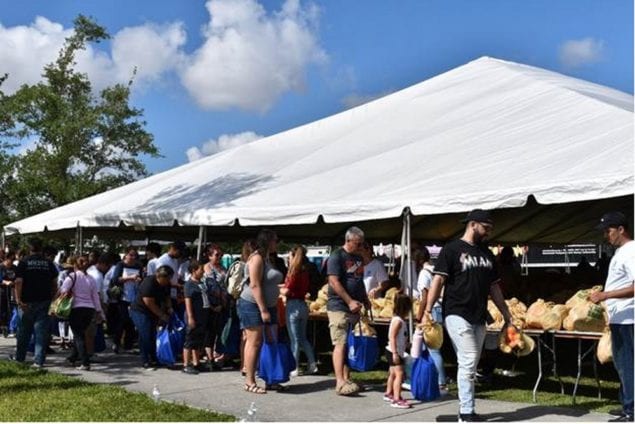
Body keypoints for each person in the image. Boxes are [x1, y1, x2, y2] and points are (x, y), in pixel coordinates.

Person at [423, 209, 513, 422]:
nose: (488, 232)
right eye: (486, 228)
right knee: (469, 359)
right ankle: (466, 412)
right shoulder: (452, 249)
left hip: (479, 315)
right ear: (473, 224)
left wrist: (506, 313)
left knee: (471, 363)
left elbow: (494, 288)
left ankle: (468, 410)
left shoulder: (486, 253)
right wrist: (427, 309)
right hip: (456, 312)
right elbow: (438, 281)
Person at [589, 212, 634, 422]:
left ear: (621, 229)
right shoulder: (622, 252)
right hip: (620, 318)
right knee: (622, 364)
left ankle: (631, 411)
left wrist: (605, 295)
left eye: (608, 231)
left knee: (627, 364)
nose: (606, 236)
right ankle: (626, 402)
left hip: (629, 319)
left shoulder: (631, 251)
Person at [237, 230, 283, 394]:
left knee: (269, 342)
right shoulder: (256, 258)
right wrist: (263, 309)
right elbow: (255, 285)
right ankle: (249, 381)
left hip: (268, 305)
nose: (277, 243)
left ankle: (270, 378)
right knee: (254, 342)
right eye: (275, 240)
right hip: (252, 305)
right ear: (268, 241)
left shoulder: (267, 258)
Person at [326, 226, 369, 396]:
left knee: (349, 344)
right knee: (340, 343)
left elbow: (359, 280)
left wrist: (364, 298)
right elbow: (334, 282)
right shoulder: (336, 257)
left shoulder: (357, 257)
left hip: (355, 307)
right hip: (339, 307)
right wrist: (349, 301)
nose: (360, 247)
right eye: (358, 243)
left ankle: (347, 377)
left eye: (362, 244)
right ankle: (339, 381)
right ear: (348, 240)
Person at [13, 237, 59, 368]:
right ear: (41, 248)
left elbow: (18, 282)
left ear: (29, 248)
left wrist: (18, 299)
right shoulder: (49, 263)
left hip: (26, 302)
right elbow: (54, 284)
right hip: (44, 301)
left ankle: (20, 358)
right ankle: (38, 361)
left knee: (23, 332)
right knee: (41, 333)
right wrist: (54, 300)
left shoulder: (24, 262)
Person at [61, 255, 105, 371]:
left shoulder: (72, 276)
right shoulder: (91, 279)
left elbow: (63, 290)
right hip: (89, 309)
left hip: (76, 308)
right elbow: (95, 296)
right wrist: (99, 311)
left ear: (75, 265)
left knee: (78, 335)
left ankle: (85, 362)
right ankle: (72, 357)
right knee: (80, 333)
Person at [415, 246, 448, 395]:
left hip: (431, 310)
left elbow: (424, 297)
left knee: (432, 349)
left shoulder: (423, 273)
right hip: (441, 309)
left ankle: (441, 382)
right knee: (435, 347)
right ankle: (433, 378)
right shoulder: (437, 269)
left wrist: (420, 315)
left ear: (419, 260)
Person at [280, 245, 318, 377]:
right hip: (303, 305)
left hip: (293, 305)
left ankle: (294, 366)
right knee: (303, 338)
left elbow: (287, 290)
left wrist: (278, 289)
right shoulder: (305, 271)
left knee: (294, 339)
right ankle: (312, 363)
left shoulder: (293, 272)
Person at [129, 265, 174, 369]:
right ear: (160, 277)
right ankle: (145, 360)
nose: (168, 281)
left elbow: (167, 296)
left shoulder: (166, 284)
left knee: (153, 335)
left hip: (153, 312)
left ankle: (154, 358)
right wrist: (162, 315)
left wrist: (169, 307)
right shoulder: (149, 282)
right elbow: (149, 302)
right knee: (145, 334)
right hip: (140, 311)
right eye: (167, 278)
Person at [109, 247, 141, 353]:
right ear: (126, 255)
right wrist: (129, 278)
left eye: (135, 256)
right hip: (122, 297)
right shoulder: (120, 265)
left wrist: (140, 280)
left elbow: (141, 279)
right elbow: (115, 280)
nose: (133, 258)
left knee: (131, 322)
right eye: (131, 255)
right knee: (122, 320)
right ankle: (116, 342)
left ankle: (128, 345)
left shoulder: (138, 266)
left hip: (134, 297)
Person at [383, 293, 412, 409]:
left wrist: (406, 344)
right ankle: (397, 398)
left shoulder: (399, 320)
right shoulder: (398, 321)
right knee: (399, 374)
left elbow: (400, 337)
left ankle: (389, 392)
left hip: (395, 350)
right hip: (394, 352)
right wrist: (395, 353)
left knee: (393, 374)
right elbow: (392, 337)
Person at [203, 244, 228, 369]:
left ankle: (218, 355)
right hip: (211, 305)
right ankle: (210, 358)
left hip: (223, 305)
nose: (219, 257)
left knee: (221, 332)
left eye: (221, 255)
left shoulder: (223, 268)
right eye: (217, 255)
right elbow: (208, 288)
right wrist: (214, 304)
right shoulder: (207, 268)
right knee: (210, 332)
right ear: (209, 255)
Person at [182, 260, 209, 375]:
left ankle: (196, 362)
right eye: (201, 270)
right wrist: (190, 317)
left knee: (198, 340)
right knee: (190, 340)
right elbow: (188, 301)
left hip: (202, 315)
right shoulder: (189, 285)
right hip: (194, 315)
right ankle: (186, 364)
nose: (203, 272)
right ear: (194, 271)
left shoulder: (200, 283)